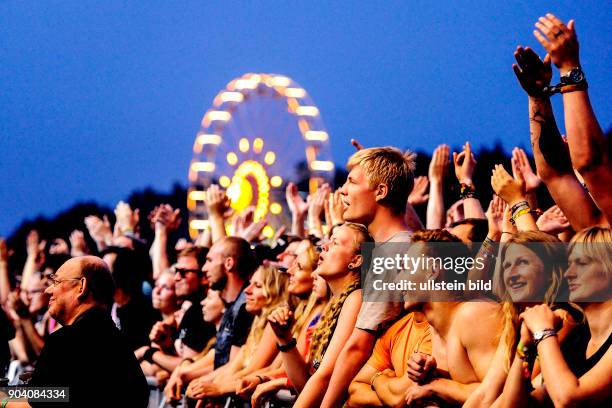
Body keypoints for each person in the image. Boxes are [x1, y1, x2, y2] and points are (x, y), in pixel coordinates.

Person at [322, 146, 416, 407]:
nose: (342, 190)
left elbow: (357, 348)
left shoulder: (392, 253)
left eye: (351, 181)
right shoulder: (406, 244)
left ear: (381, 192)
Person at [6, 256, 148, 408]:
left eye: (56, 282)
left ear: (81, 286)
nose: (48, 290)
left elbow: (34, 404)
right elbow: (57, 395)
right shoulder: (119, 343)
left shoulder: (65, 342)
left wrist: (2, 399)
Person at [499, 227, 612, 407]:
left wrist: (543, 332)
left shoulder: (564, 326)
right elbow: (512, 405)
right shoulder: (578, 339)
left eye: (581, 263)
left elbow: (568, 399)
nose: (569, 273)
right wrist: (524, 346)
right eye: (569, 264)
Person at [402, 229, 502, 406]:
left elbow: (501, 392)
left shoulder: (473, 316)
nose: (398, 281)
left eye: (406, 269)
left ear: (432, 271)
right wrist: (430, 375)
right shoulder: (434, 327)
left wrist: (436, 385)